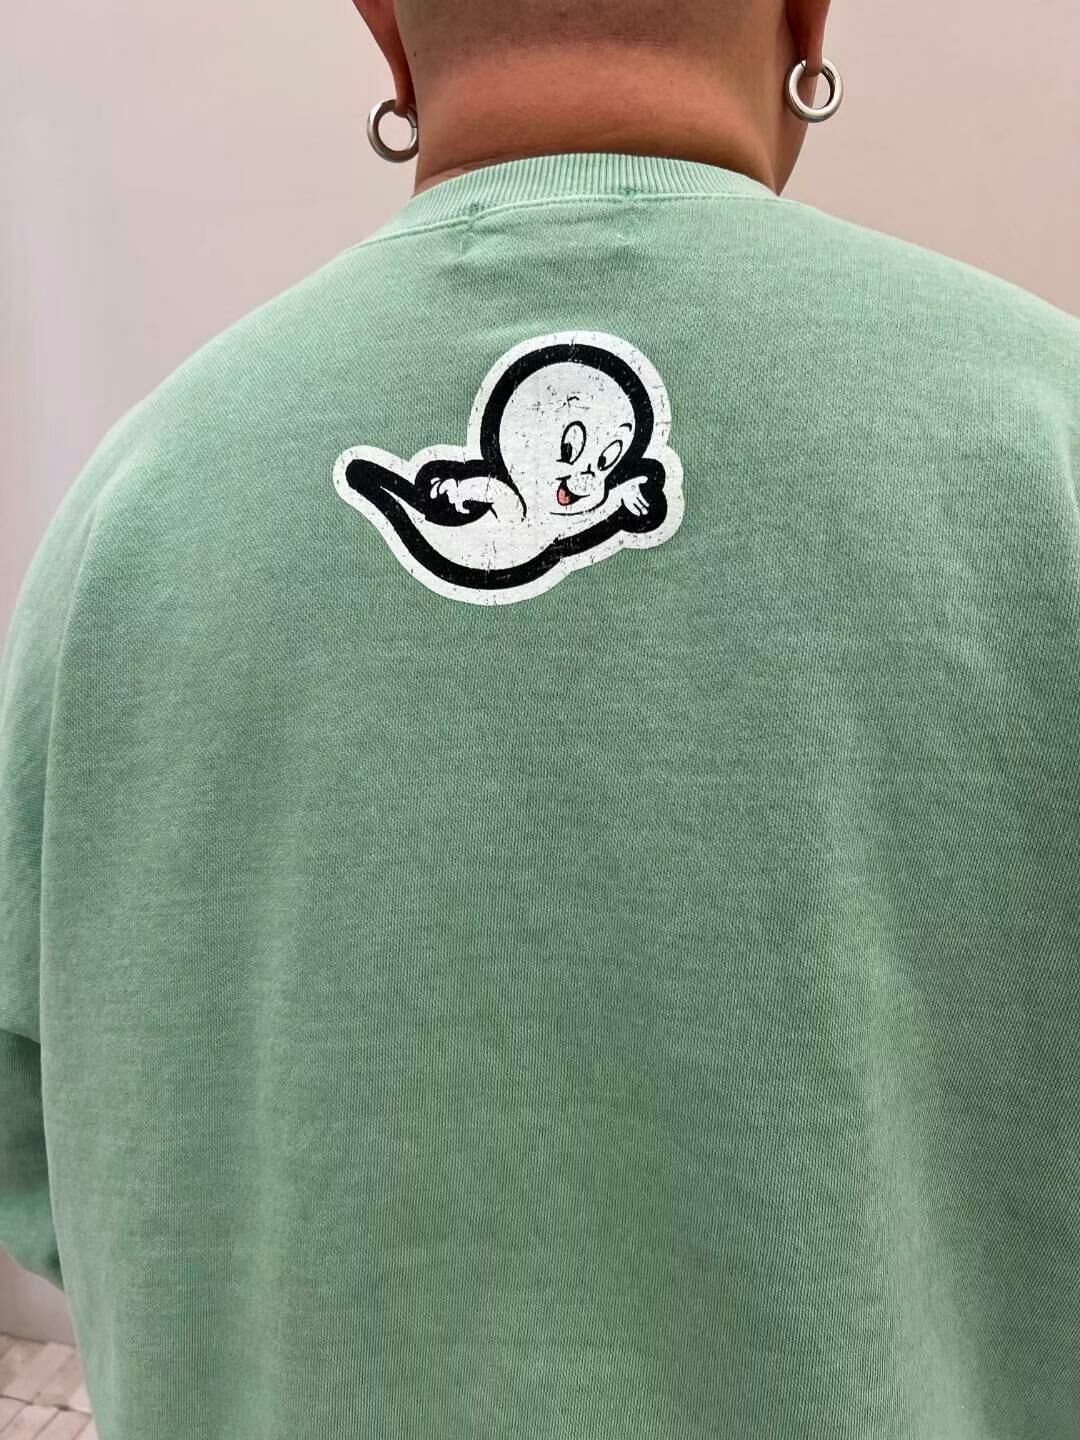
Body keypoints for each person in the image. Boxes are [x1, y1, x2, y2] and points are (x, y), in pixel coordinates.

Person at [1, 0, 1077, 1436]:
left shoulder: (127, 519)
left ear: (384, 28)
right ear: (808, 14)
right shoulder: (1049, 444)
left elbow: (36, 1147)